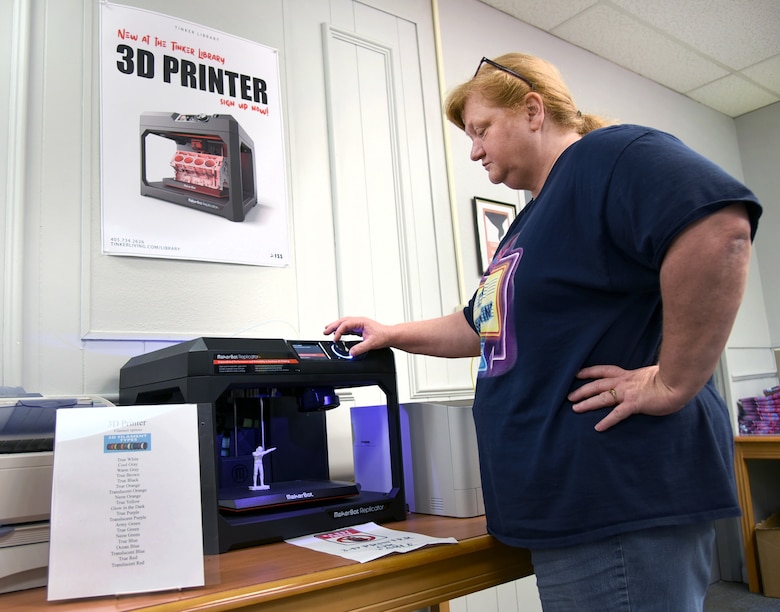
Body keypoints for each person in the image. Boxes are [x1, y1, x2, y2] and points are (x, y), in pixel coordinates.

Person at [324, 52, 762, 611]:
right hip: (573, 505)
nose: (475, 149)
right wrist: (391, 332)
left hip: (616, 499)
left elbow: (719, 228)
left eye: (481, 129)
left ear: (533, 110)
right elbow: (479, 326)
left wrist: (672, 381)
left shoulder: (606, 155)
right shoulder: (531, 218)